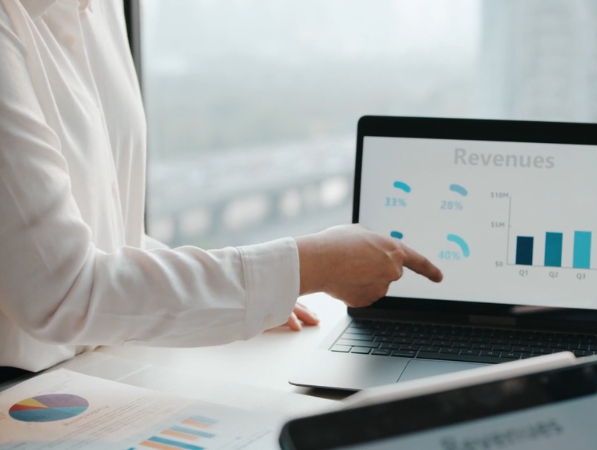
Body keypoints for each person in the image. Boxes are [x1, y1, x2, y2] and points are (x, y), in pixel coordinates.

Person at [0, 0, 442, 379]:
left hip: (102, 375)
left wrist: (247, 298)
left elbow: (109, 235)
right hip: (23, 397)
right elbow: (61, 291)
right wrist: (308, 267)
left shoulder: (100, 8)